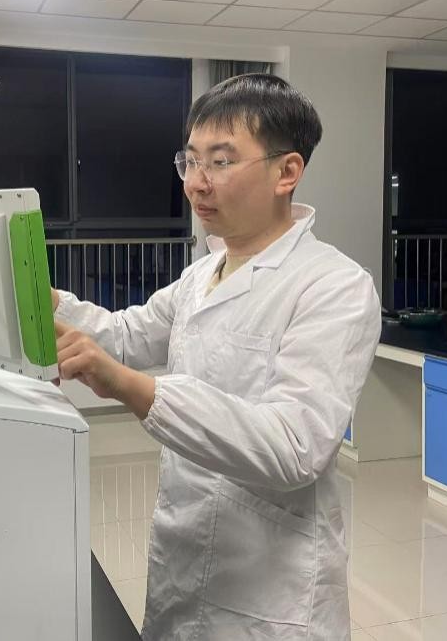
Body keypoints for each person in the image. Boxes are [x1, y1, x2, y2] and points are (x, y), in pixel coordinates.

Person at [52, 73, 381, 640]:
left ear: (287, 172)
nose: (195, 183)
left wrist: (135, 388)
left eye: (221, 162)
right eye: (190, 161)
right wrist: (47, 300)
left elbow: (295, 446)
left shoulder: (334, 286)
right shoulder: (202, 273)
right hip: (182, 556)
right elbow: (128, 335)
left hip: (270, 588)